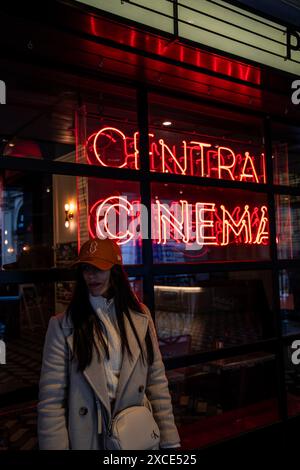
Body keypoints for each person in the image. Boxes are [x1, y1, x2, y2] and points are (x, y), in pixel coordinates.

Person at [38, 237, 180, 450]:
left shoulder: (141, 317)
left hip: (135, 435)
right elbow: (51, 402)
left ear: (115, 272)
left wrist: (170, 441)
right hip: (90, 439)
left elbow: (157, 382)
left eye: (98, 268)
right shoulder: (62, 326)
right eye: (86, 268)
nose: (91, 275)